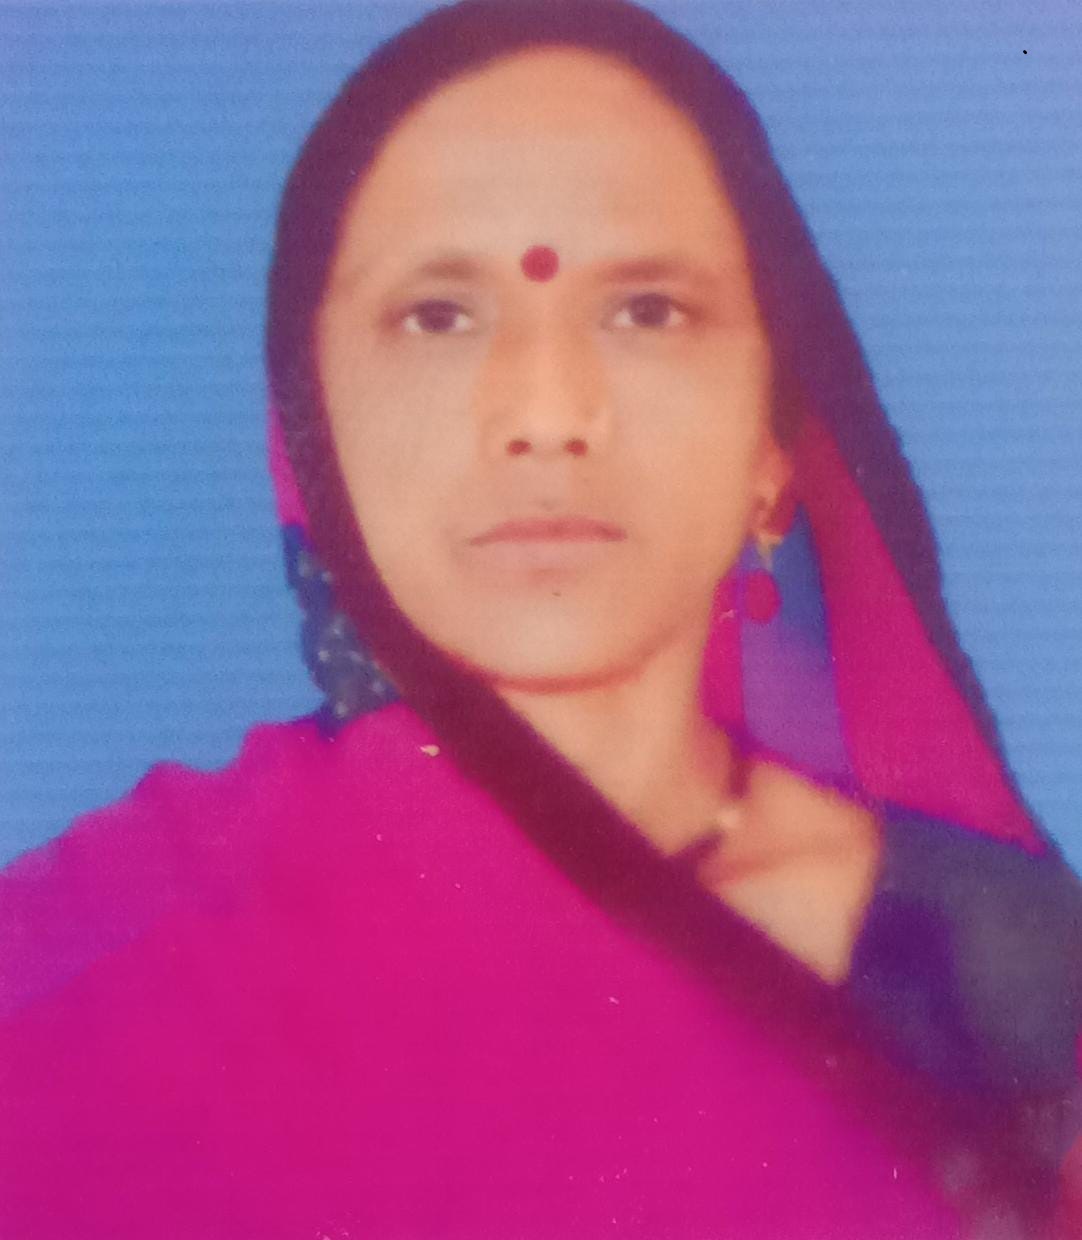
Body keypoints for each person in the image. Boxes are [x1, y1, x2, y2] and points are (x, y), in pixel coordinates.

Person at [2, 1, 1080, 1236]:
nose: (547, 413)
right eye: (438, 315)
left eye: (647, 310)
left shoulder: (1006, 969)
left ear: (771, 452)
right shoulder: (108, 956)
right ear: (311, 432)